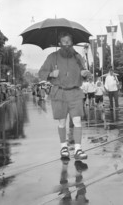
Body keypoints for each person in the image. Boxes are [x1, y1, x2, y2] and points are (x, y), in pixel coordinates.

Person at [38, 32, 91, 160]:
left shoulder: (78, 57)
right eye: (64, 41)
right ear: (59, 43)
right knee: (62, 122)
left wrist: (85, 73)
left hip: (75, 93)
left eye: (69, 41)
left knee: (77, 121)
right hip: (59, 93)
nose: (66, 44)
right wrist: (51, 74)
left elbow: (84, 74)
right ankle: (63, 147)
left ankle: (78, 149)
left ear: (72, 42)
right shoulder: (52, 57)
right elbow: (41, 74)